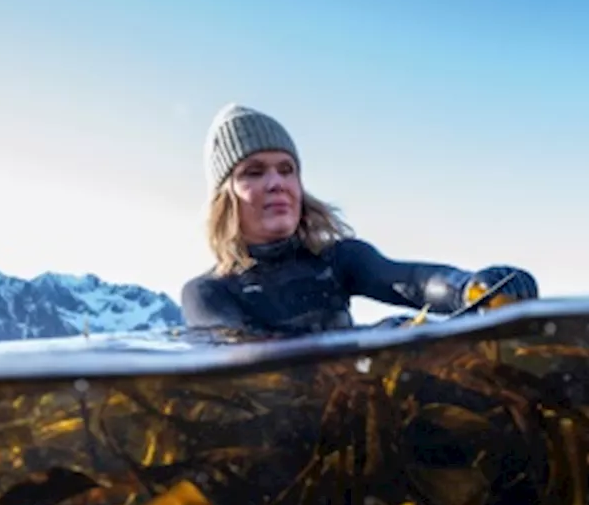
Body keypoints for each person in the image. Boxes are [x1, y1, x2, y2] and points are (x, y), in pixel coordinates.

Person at [179, 104, 539, 338]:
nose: (276, 183)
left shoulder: (339, 259)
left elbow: (411, 281)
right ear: (224, 199)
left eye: (287, 169)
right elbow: (251, 358)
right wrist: (376, 336)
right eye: (253, 172)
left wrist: (470, 287)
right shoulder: (207, 293)